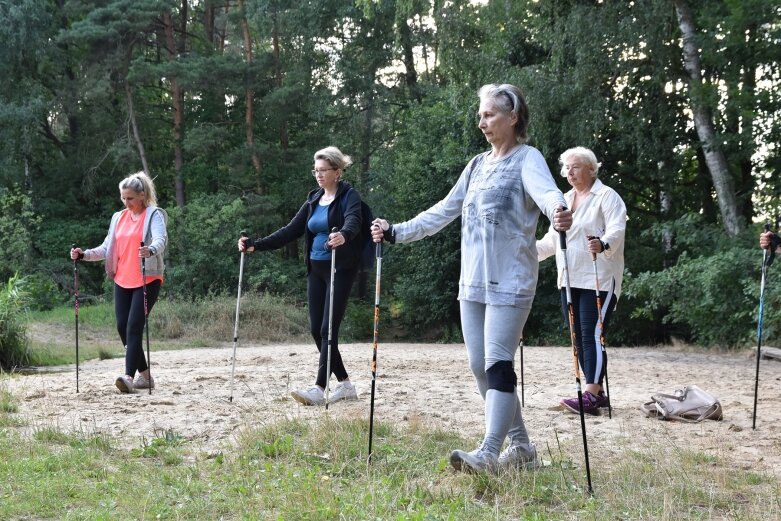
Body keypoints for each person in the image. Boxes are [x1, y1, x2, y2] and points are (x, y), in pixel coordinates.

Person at [370, 84, 573, 473]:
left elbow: (550, 196)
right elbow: (445, 210)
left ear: (513, 118)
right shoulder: (477, 165)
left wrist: (559, 212)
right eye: (480, 115)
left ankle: (489, 452)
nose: (481, 122)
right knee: (480, 367)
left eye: (489, 115)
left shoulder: (527, 158)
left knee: (498, 364)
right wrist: (397, 231)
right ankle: (524, 450)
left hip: (510, 278)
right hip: (473, 281)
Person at [238, 146, 363, 406]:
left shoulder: (349, 196)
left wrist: (344, 235)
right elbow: (290, 230)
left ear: (337, 172)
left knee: (329, 329)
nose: (318, 175)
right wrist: (256, 244)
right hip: (316, 269)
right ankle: (347, 386)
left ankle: (319, 388)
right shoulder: (313, 200)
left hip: (339, 268)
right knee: (317, 331)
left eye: (323, 170)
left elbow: (354, 220)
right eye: (315, 170)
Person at [537, 147, 626, 416]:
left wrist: (603, 243)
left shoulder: (606, 196)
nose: (570, 172)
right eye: (566, 168)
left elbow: (617, 229)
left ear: (591, 168)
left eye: (575, 166)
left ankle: (590, 394)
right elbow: (552, 241)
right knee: (578, 338)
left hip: (598, 278)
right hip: (568, 279)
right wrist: (523, 252)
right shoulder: (563, 200)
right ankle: (597, 395)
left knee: (592, 335)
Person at [70, 172, 167, 393]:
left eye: (130, 198)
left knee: (134, 327)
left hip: (147, 279)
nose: (126, 202)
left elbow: (161, 239)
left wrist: (150, 249)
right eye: (123, 198)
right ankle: (146, 377)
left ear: (142, 195)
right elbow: (107, 248)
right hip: (122, 279)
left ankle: (128, 376)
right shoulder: (118, 217)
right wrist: (83, 254)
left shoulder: (154, 215)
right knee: (123, 328)